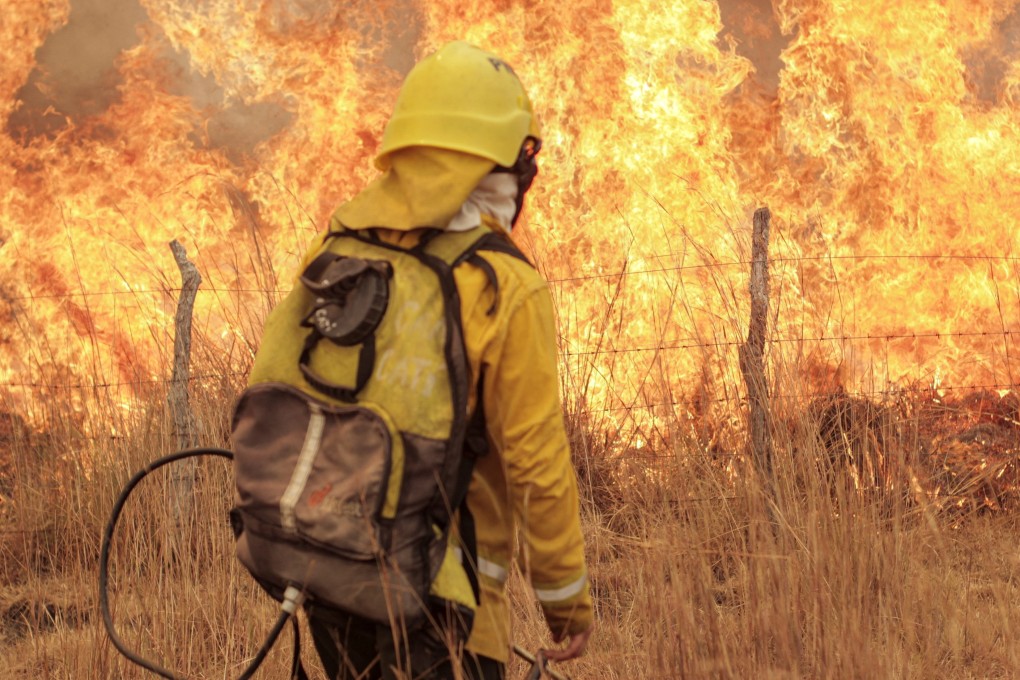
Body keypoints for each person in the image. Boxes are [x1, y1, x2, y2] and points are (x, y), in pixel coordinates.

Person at [304, 41, 594, 679]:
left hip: (324, 577)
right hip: (444, 609)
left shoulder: (342, 246)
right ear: (507, 165)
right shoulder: (501, 285)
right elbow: (536, 460)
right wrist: (566, 603)